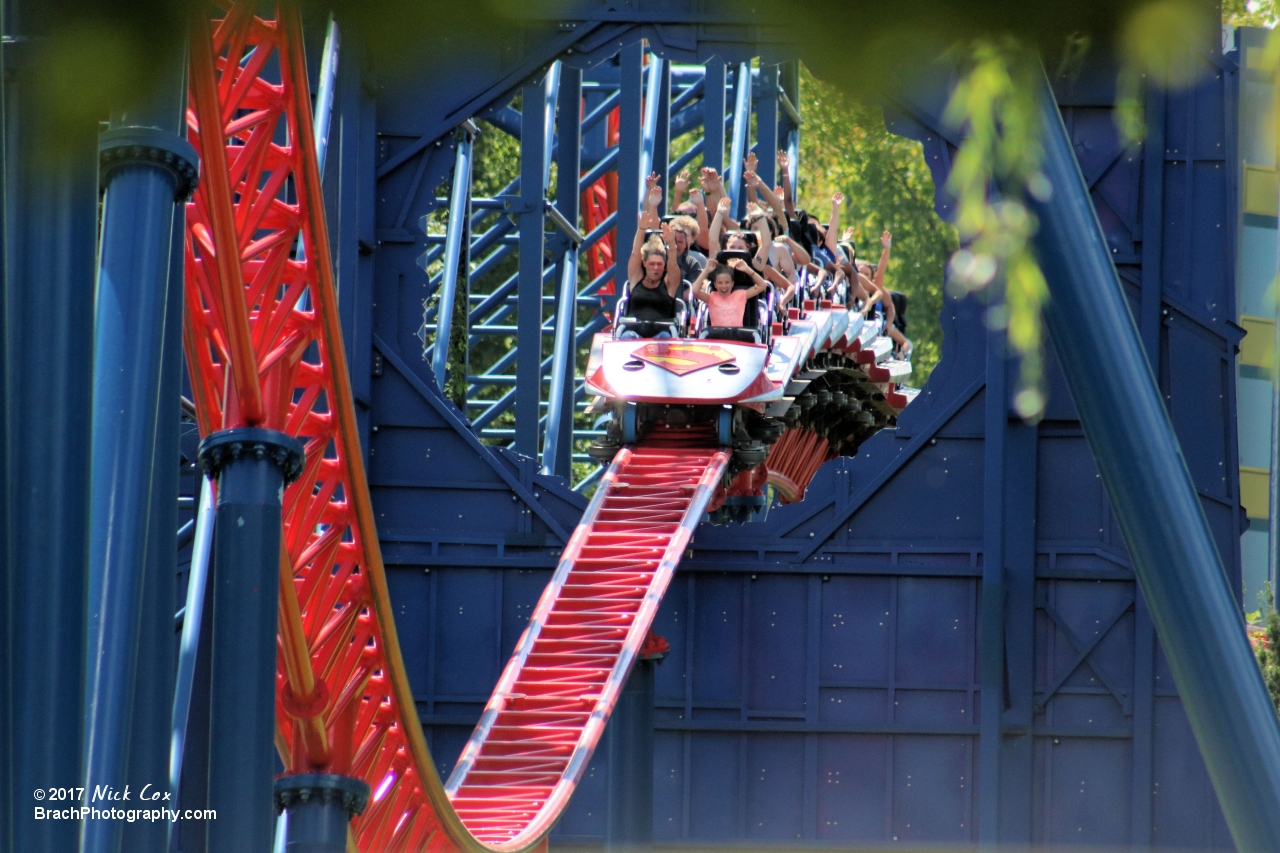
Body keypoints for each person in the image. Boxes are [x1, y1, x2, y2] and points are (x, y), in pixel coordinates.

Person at [619, 192, 681, 337]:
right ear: (644, 263)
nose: (655, 268)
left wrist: (672, 243)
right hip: (635, 332)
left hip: (661, 334)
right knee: (627, 336)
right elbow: (635, 253)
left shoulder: (668, 283)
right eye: (652, 264)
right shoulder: (637, 278)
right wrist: (641, 230)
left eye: (659, 264)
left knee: (665, 339)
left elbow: (672, 265)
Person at [692, 259, 769, 328]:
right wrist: (706, 271)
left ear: (732, 284)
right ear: (715, 285)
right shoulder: (712, 297)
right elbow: (695, 291)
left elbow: (762, 285)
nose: (724, 286)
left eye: (727, 282)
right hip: (717, 337)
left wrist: (747, 269)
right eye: (720, 283)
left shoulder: (740, 295)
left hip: (736, 336)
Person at [669, 214, 707, 283]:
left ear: (693, 239)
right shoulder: (660, 257)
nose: (676, 245)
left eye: (685, 236)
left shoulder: (698, 259)